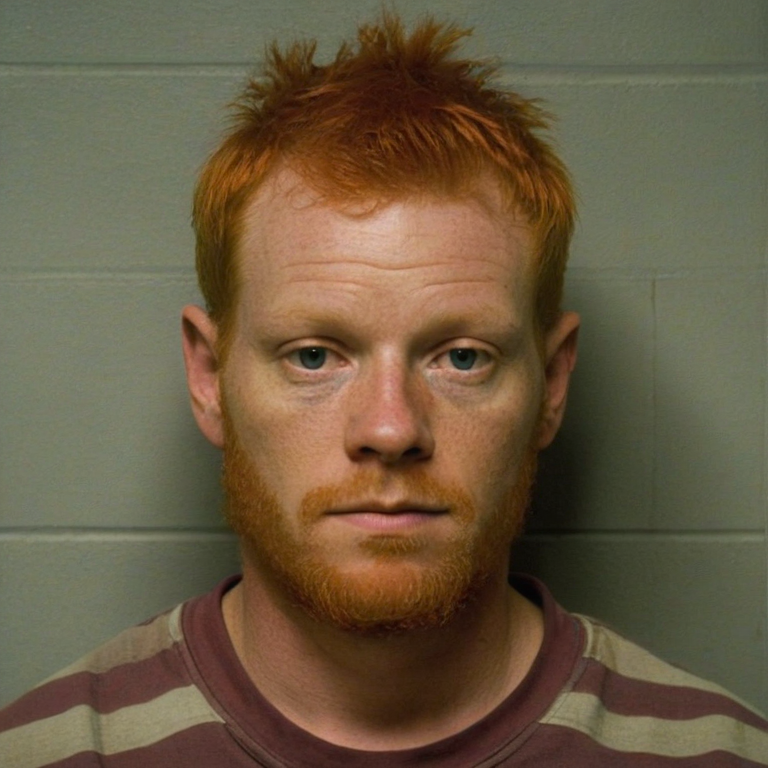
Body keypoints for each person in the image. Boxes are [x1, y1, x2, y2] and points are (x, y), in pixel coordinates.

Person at [1, 13, 766, 767]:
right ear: (209, 377)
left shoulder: (715, 755)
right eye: (312, 357)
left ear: (553, 384)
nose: (391, 429)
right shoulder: (51, 752)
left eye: (462, 358)